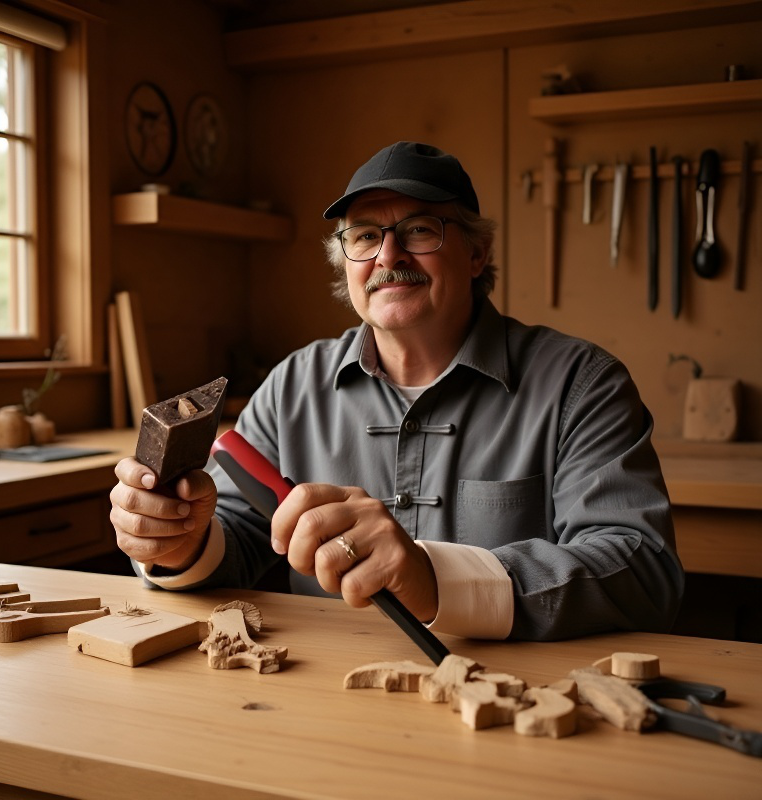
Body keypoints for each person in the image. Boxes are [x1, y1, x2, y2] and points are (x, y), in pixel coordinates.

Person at [110, 141, 684, 640]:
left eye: (418, 230)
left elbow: (640, 568)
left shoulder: (582, 384)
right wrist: (178, 542)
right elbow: (232, 542)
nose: (389, 256)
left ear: (477, 252)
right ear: (347, 262)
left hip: (503, 703)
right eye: (364, 236)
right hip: (316, 703)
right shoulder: (292, 386)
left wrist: (435, 579)